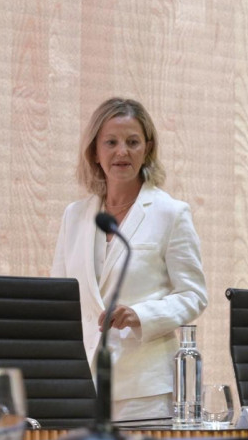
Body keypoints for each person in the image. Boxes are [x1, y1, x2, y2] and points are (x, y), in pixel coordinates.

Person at [52, 98, 208, 421]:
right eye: (111, 142)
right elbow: (58, 298)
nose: (121, 152)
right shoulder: (75, 216)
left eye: (132, 142)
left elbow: (193, 294)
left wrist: (141, 315)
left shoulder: (170, 213)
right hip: (81, 385)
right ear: (95, 151)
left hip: (144, 390)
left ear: (147, 149)